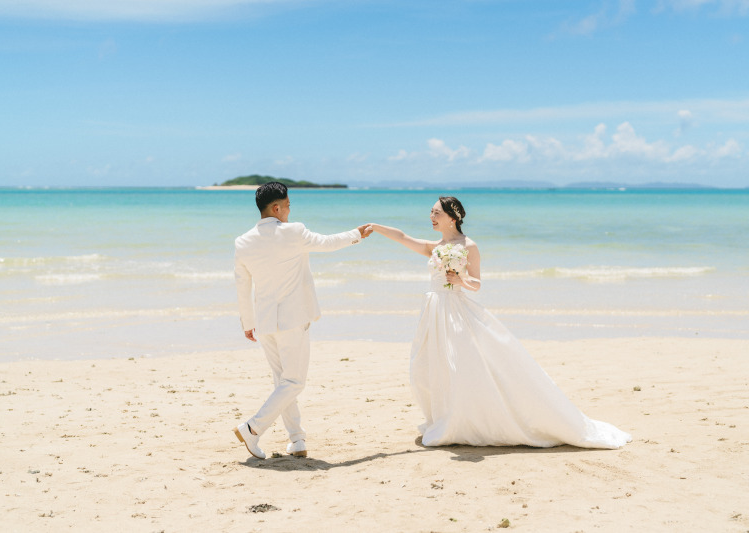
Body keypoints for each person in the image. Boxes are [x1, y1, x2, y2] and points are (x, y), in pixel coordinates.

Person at [370, 196, 631, 448]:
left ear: (452, 217)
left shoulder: (469, 246)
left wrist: (460, 280)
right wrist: (375, 227)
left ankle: (463, 421)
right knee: (426, 367)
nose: (431, 216)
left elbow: (477, 283)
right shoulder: (434, 246)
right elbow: (402, 237)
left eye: (436, 212)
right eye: (431, 212)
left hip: (455, 311)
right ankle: (444, 418)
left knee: (461, 366)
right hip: (434, 311)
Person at [233, 182, 372, 459]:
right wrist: (356, 234)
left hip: (264, 322)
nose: (289, 211)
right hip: (293, 320)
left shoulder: (243, 241)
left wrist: (247, 322)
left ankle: (297, 439)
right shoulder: (294, 232)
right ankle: (253, 428)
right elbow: (328, 243)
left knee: (282, 383)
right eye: (287, 206)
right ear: (276, 208)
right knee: (294, 382)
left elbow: (242, 285)